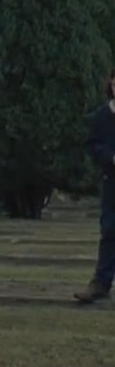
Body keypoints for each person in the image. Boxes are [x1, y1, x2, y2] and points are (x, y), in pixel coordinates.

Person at [73, 70, 115, 303]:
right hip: (112, 182)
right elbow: (93, 144)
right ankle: (101, 282)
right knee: (109, 232)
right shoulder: (101, 116)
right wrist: (109, 157)